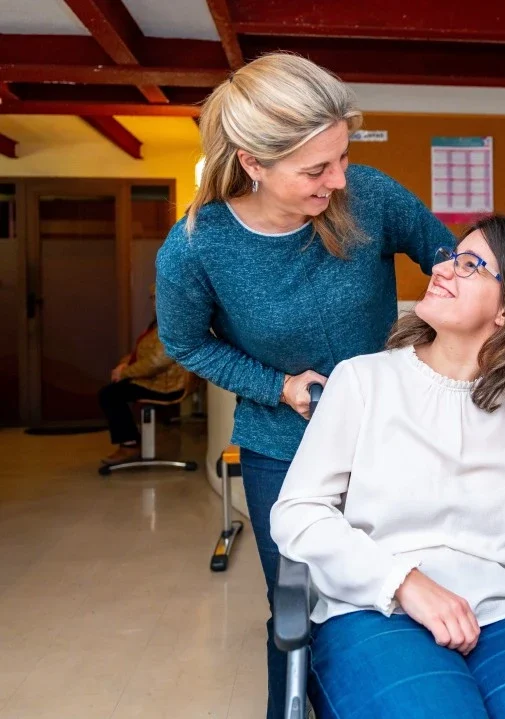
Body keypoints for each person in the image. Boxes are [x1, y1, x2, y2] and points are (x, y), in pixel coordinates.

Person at [154, 52, 454, 718]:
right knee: (298, 603)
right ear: (252, 163)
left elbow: (451, 261)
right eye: (317, 168)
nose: (338, 178)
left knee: (397, 593)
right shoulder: (195, 248)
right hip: (281, 446)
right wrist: (276, 384)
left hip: (392, 437)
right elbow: (185, 342)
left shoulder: (366, 196)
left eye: (341, 157)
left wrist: (450, 343)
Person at [270, 215, 505, 719]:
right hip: (378, 609)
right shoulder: (363, 382)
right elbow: (297, 512)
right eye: (449, 257)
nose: (442, 269)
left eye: (470, 265)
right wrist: (405, 582)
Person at [98, 285, 186, 465]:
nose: (155, 302)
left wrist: (125, 373)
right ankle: (130, 442)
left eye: (158, 297)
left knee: (110, 395)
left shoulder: (174, 324)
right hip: (156, 380)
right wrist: (124, 364)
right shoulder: (160, 322)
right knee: (112, 392)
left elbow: (157, 362)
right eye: (152, 298)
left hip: (166, 385)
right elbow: (142, 352)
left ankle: (129, 444)